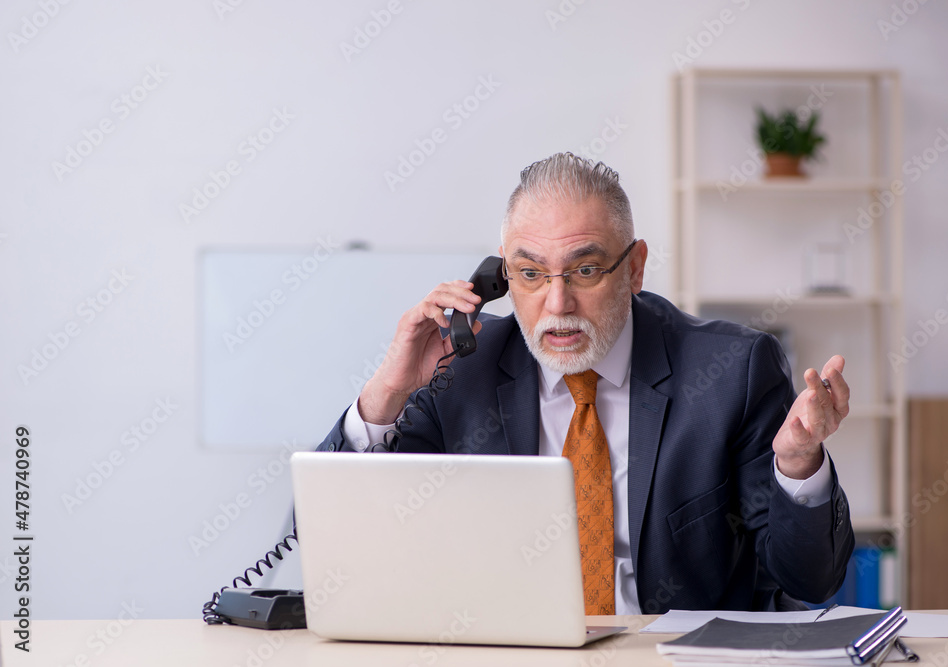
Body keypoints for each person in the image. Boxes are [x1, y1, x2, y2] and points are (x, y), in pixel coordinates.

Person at [319, 152, 854, 614]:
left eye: (586, 270)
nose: (558, 304)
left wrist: (798, 464)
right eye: (531, 274)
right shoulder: (461, 368)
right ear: (502, 278)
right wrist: (387, 394)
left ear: (635, 268)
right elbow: (339, 542)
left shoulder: (732, 372)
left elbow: (810, 580)